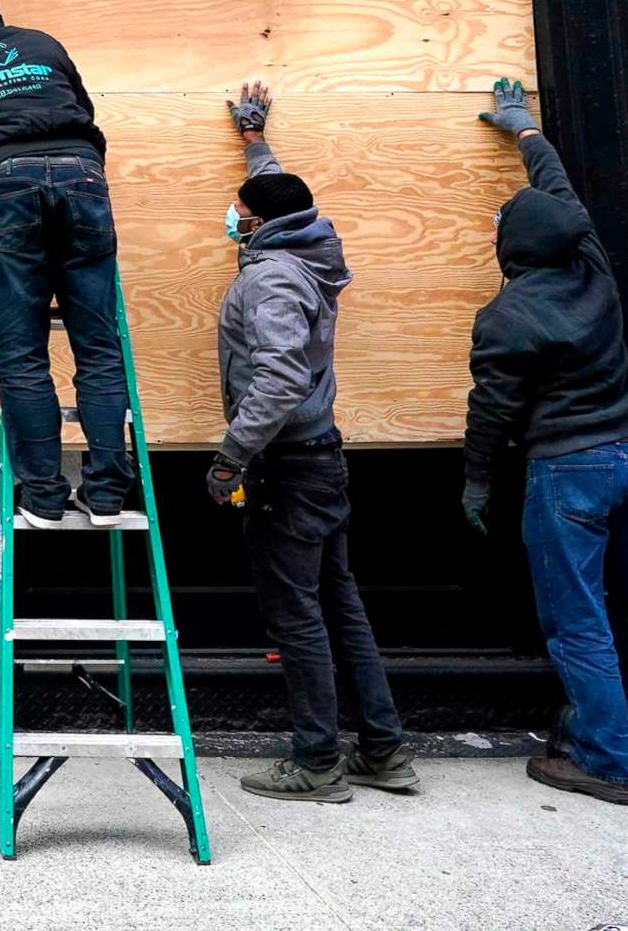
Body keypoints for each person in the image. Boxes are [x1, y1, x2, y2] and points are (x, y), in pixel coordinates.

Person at [467, 79, 628, 806]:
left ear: (513, 246)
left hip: (569, 473)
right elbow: (564, 195)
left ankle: (607, 762)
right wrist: (526, 131)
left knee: (579, 622)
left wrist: (477, 483)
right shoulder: (594, 269)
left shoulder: (509, 316)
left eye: (500, 224)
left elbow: (492, 410)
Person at [213, 82, 414, 803]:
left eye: (238, 214)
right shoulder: (308, 248)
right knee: (341, 604)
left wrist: (231, 456)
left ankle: (317, 762)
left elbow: (277, 377)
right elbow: (280, 194)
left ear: (258, 223)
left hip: (286, 469)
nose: (231, 220)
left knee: (297, 617)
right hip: (322, 461)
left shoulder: (270, 280)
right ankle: (384, 752)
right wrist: (253, 137)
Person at [0, 0, 135, 526]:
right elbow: (82, 108)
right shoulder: (42, 43)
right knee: (98, 346)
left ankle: (43, 496)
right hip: (82, 174)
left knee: (21, 351)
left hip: (8, 181)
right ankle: (109, 495)